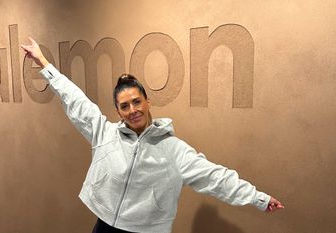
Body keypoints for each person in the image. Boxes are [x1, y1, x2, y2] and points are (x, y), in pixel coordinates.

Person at [21, 37, 284, 233]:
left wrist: (258, 198)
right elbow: (76, 101)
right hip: (105, 226)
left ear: (148, 103)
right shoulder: (105, 133)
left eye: (137, 102)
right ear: (118, 111)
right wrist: (44, 64)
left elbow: (214, 177)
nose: (132, 110)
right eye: (125, 106)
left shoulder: (173, 149)